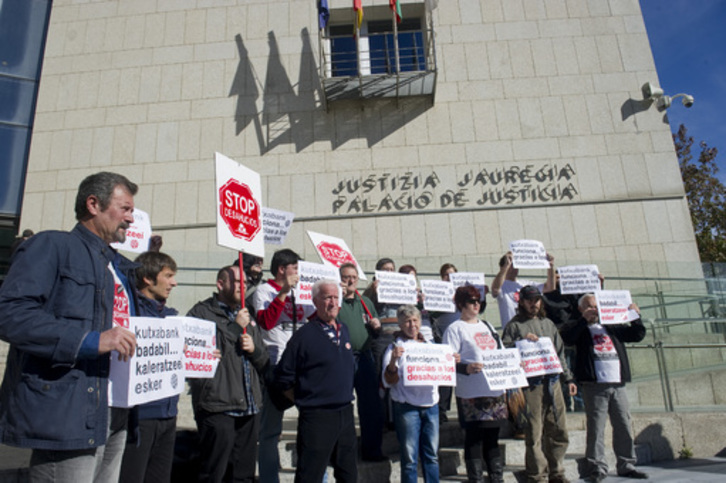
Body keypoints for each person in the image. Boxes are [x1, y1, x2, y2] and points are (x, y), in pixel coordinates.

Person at [0, 172, 139, 482]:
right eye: (125, 208)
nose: (132, 218)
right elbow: (10, 313)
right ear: (93, 204)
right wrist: (88, 341)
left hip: (112, 408)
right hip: (68, 411)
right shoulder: (51, 245)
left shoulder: (118, 266)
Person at [187, 265, 269, 483]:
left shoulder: (247, 315)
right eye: (237, 282)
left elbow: (263, 360)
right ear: (220, 284)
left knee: (243, 475)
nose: (243, 287)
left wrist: (255, 350)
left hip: (249, 406)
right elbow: (198, 357)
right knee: (214, 472)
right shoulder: (201, 313)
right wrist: (234, 328)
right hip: (218, 405)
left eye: (245, 282)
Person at [274, 279, 357, 483]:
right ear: (315, 301)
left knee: (349, 475)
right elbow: (283, 376)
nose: (332, 302)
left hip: (345, 414)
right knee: (309, 475)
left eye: (336, 297)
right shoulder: (304, 336)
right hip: (317, 417)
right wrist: (306, 400)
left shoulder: (344, 330)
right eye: (327, 297)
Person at [560, 294, 648, 482]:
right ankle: (597, 466)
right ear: (581, 309)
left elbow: (637, 335)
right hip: (594, 384)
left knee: (623, 423)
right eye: (589, 307)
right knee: (596, 427)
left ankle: (627, 464)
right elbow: (567, 338)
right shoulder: (579, 327)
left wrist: (635, 317)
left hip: (617, 382)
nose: (594, 309)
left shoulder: (613, 326)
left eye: (596, 306)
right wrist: (584, 321)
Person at [502, 285, 576, 483]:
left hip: (552, 382)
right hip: (531, 385)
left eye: (536, 300)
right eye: (529, 300)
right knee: (534, 430)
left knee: (558, 428)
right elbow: (505, 351)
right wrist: (521, 341)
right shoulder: (514, 325)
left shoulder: (548, 323)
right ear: (522, 301)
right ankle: (537, 475)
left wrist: (568, 378)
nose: (533, 303)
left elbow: (560, 353)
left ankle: (557, 472)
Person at [253, 249, 314, 483]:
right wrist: (285, 292)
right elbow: (266, 322)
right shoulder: (264, 291)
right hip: (275, 365)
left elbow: (315, 318)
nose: (299, 273)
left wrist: (328, 294)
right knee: (270, 430)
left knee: (313, 426)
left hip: (302, 367)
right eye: (296, 268)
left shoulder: (302, 292)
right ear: (282, 269)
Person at [120, 251, 179, 483]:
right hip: (139, 416)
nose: (174, 282)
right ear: (148, 278)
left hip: (168, 413)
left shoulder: (172, 317)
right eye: (168, 276)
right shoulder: (129, 313)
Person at [443, 286, 507, 483]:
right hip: (471, 392)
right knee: (474, 437)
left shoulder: (487, 325)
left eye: (478, 300)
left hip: (494, 390)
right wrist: (466, 368)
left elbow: (501, 352)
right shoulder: (455, 329)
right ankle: (476, 478)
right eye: (471, 301)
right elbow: (447, 361)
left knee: (492, 438)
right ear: (461, 304)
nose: (476, 304)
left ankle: (496, 477)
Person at [383, 304, 444, 483]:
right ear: (401, 325)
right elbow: (388, 381)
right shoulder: (394, 347)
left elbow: (444, 371)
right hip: (407, 408)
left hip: (431, 406)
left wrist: (450, 359)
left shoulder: (432, 346)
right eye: (407, 322)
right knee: (409, 459)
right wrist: (394, 361)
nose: (412, 325)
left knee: (432, 455)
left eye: (415, 320)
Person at [338, 262, 386, 461]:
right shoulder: (335, 302)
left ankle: (371, 449)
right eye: (346, 277)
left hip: (364, 356)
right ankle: (343, 452)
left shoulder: (365, 301)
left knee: (370, 405)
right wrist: (337, 297)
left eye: (353, 277)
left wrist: (377, 325)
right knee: (342, 404)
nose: (350, 281)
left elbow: (375, 329)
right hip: (342, 358)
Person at [490, 251, 555, 329]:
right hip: (512, 331)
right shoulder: (502, 285)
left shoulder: (525, 284)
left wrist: (550, 267)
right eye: (511, 264)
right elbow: (495, 290)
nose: (514, 268)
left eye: (516, 264)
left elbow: (549, 287)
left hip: (531, 329)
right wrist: (504, 268)